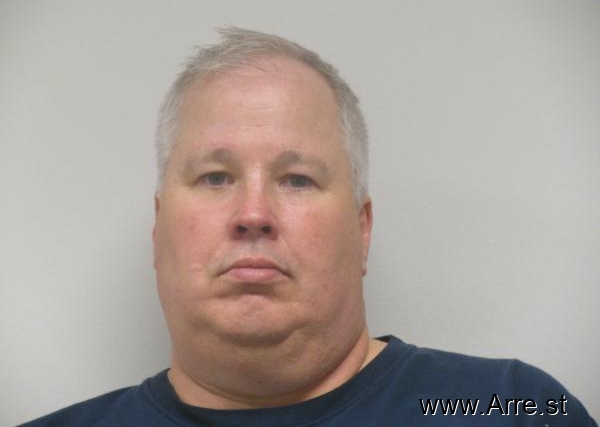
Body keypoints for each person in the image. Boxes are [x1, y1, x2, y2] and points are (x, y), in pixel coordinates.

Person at [20, 27, 596, 427]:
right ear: (158, 229)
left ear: (362, 230)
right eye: (216, 177)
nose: (253, 214)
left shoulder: (511, 408)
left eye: (297, 179)